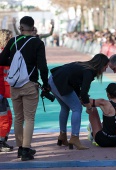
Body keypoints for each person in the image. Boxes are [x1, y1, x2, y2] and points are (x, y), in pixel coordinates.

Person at [0, 16, 49, 161]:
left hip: (14, 85)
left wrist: (14, 61)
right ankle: (26, 150)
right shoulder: (38, 43)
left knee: (18, 117)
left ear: (21, 28)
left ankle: (20, 147)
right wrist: (45, 84)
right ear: (33, 27)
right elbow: (43, 66)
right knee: (29, 118)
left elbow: (2, 60)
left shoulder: (13, 41)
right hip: (30, 84)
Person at [48, 53, 109, 150]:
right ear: (101, 65)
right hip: (60, 82)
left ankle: (62, 135)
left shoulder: (83, 66)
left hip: (53, 79)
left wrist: (80, 97)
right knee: (77, 108)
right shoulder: (89, 72)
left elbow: (75, 83)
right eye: (105, 67)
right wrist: (89, 107)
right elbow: (84, 93)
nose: (105, 70)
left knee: (65, 107)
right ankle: (74, 137)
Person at [87, 83, 116, 147]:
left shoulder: (104, 103)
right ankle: (92, 132)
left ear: (108, 94)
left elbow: (85, 101)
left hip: (103, 140)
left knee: (92, 108)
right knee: (111, 120)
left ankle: (92, 131)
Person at [0, 29, 13, 152]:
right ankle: (0, 142)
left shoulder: (6, 53)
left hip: (3, 92)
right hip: (0, 92)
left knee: (8, 117)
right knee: (3, 118)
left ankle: (3, 140)